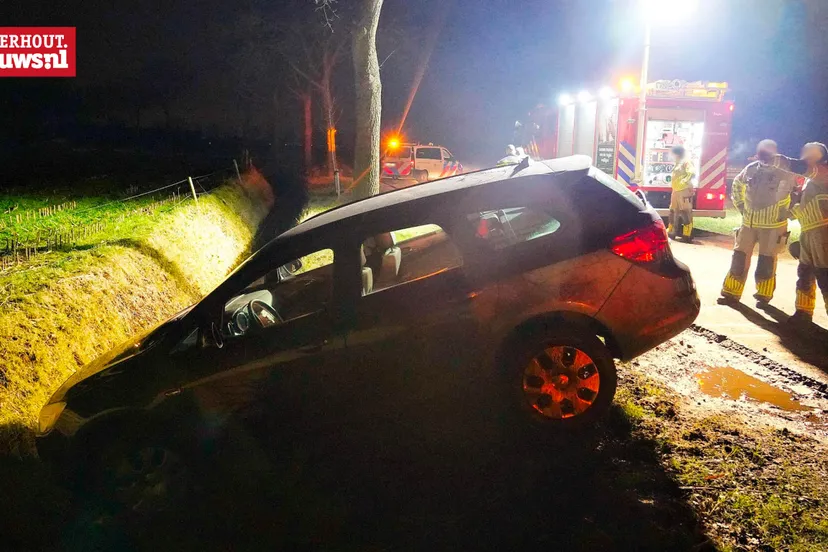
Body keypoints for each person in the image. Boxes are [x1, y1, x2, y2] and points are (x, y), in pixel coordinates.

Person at [718, 140, 796, 307]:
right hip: (748, 224)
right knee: (739, 258)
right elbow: (737, 185)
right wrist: (740, 206)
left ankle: (764, 295)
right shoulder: (751, 168)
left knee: (766, 262)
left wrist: (789, 213)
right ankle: (731, 292)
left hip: (773, 226)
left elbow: (798, 195)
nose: (764, 156)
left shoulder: (785, 171)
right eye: (761, 153)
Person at [760, 142, 828, 324]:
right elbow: (809, 205)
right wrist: (792, 211)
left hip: (823, 233)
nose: (804, 154)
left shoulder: (821, 171)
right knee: (805, 272)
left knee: (825, 275)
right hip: (809, 230)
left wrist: (774, 158)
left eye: (809, 152)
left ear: (819, 156)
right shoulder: (811, 180)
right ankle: (803, 312)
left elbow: (798, 167)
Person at [668, 145, 696, 240]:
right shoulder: (678, 162)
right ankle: (672, 231)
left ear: (678, 153)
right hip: (676, 190)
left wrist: (684, 182)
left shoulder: (686, 162)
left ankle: (687, 234)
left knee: (685, 212)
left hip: (683, 190)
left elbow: (691, 173)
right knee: (673, 211)